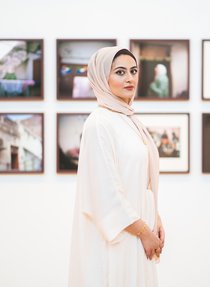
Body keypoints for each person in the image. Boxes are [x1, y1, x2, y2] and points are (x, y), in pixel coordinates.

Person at [68, 46, 165, 287]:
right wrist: (144, 231)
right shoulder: (99, 123)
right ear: (102, 77)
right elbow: (106, 193)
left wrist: (156, 217)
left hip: (137, 230)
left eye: (133, 71)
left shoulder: (129, 120)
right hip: (117, 236)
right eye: (120, 72)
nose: (130, 78)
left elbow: (140, 180)